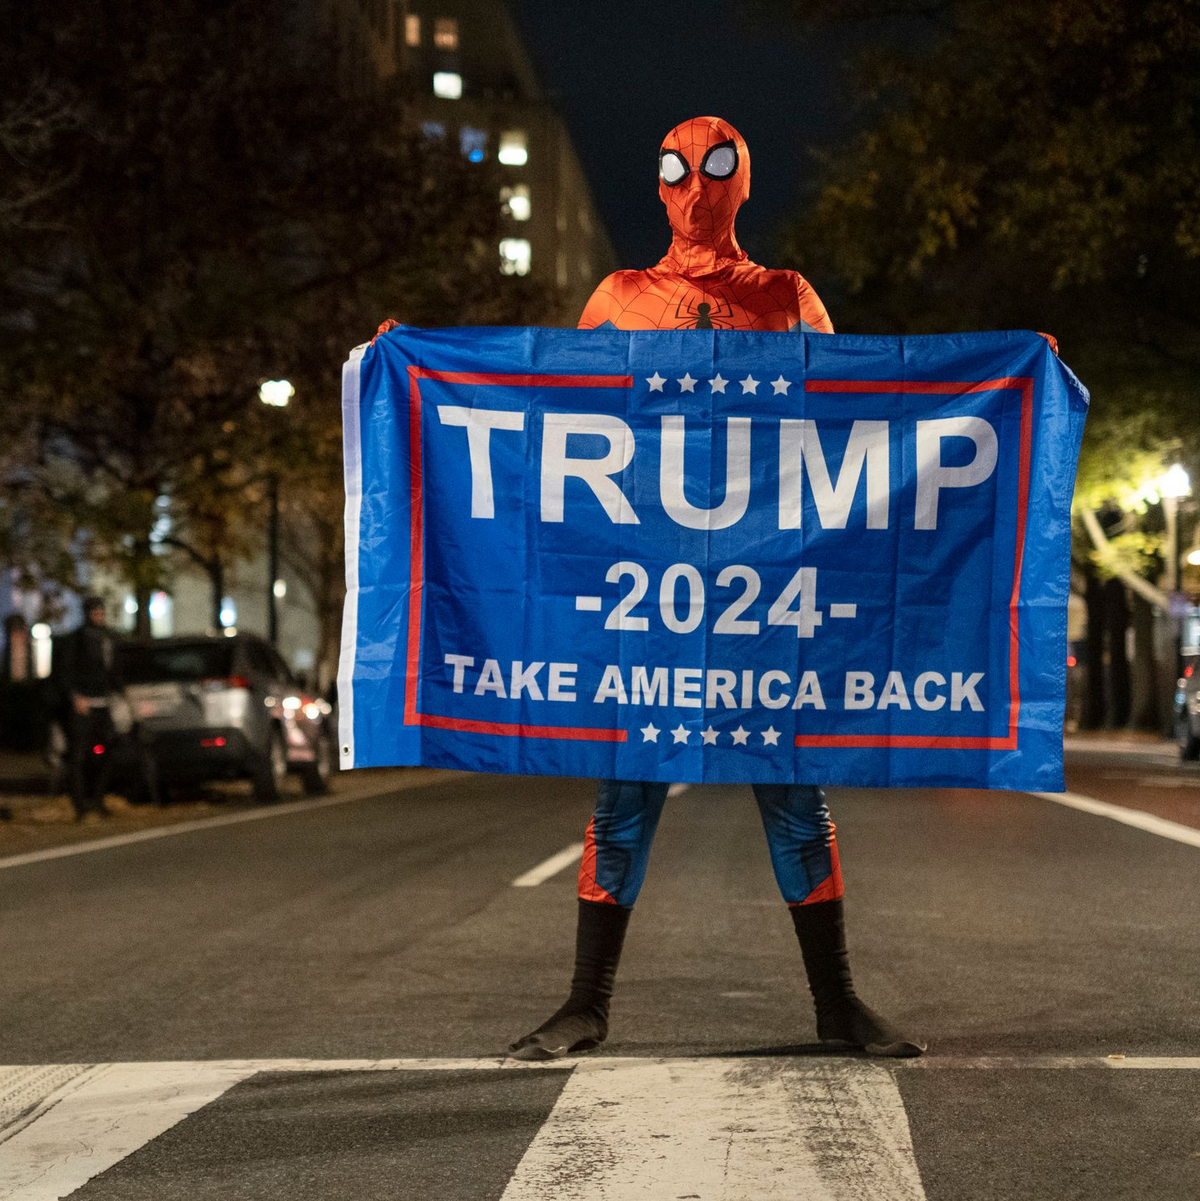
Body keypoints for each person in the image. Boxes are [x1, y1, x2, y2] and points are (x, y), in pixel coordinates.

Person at [508, 116, 926, 1061]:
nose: (696, 185)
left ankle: (837, 1004)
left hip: (759, 590)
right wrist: (411, 372)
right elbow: (550, 414)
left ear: (744, 179)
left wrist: (1008, 382)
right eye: (677, 169)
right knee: (623, 797)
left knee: (792, 795)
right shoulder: (619, 297)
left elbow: (860, 416)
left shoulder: (787, 296)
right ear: (659, 184)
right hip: (649, 595)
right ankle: (585, 1002)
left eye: (717, 165)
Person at [52, 595, 119, 821]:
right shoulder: (77, 639)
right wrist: (75, 695)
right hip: (83, 705)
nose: (99, 617)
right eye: (95, 613)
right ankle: (80, 806)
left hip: (104, 703)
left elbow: (114, 670)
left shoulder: (108, 637)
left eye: (101, 613)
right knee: (78, 756)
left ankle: (98, 800)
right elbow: (65, 672)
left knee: (109, 752)